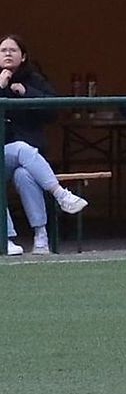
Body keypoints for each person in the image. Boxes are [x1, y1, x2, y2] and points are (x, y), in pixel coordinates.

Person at [1, 34, 88, 255]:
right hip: (7, 149)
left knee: (25, 175)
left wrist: (26, 93)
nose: (8, 54)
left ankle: (41, 237)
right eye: (3, 50)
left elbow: (53, 110)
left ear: (23, 56)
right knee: (21, 148)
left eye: (13, 50)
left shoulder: (34, 79)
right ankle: (60, 195)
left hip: (27, 157)